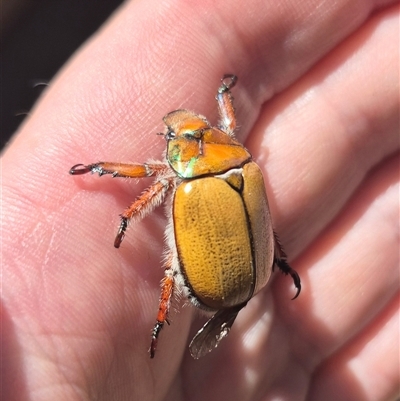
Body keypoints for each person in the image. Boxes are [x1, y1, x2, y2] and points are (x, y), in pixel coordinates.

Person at [1, 1, 399, 400]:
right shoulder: (247, 167)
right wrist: (222, 94)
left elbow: (144, 175)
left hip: (219, 281)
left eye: (178, 138)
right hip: (250, 274)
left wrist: (111, 184)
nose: (179, 135)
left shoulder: (182, 181)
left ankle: (163, 318)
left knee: (172, 271)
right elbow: (229, 130)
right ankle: (274, 262)